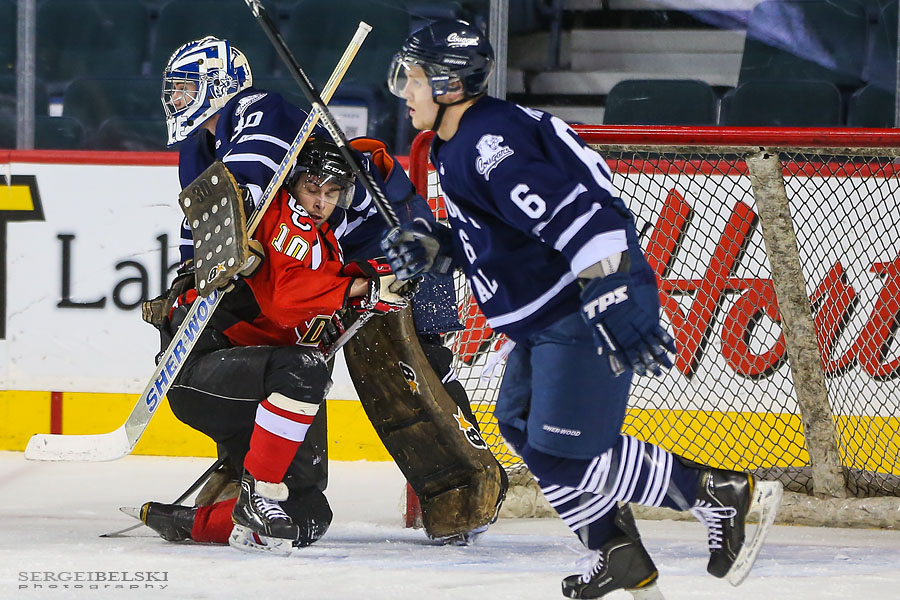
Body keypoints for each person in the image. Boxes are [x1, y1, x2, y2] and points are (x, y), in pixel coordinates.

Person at [380, 20, 782, 599]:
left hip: (585, 304)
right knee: (519, 424)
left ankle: (717, 491)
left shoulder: (487, 146)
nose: (405, 91)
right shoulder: (465, 137)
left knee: (565, 455)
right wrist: (439, 247)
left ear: (446, 84)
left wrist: (607, 293)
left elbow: (584, 217)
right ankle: (616, 551)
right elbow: (508, 236)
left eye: (413, 79)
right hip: (553, 315)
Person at [138, 36, 409, 554]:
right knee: (304, 367)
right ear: (295, 182)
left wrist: (368, 282)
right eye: (314, 189)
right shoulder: (281, 216)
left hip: (264, 371)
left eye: (333, 193)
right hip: (217, 368)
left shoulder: (321, 231)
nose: (322, 200)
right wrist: (191, 277)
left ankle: (198, 522)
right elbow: (274, 286)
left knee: (309, 515)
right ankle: (256, 489)